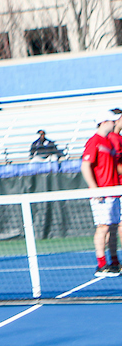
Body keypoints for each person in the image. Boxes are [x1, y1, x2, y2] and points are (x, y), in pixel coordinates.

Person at [81, 110, 121, 277]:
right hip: (102, 193)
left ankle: (114, 262)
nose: (114, 123)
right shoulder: (94, 141)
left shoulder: (109, 142)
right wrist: (94, 188)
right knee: (102, 227)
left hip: (113, 191)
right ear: (104, 122)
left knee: (112, 227)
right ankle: (101, 264)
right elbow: (85, 166)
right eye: (112, 121)